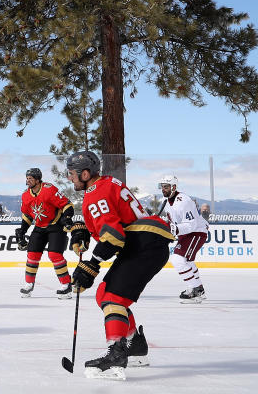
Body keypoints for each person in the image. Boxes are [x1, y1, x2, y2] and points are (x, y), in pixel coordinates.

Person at [66, 151, 174, 380]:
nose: (70, 178)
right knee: (105, 294)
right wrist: (85, 230)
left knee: (112, 298)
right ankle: (134, 344)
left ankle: (116, 351)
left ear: (85, 174)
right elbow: (114, 222)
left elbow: (114, 236)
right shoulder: (106, 184)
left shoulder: (95, 193)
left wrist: (92, 265)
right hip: (146, 243)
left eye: (72, 174)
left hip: (143, 245)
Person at [14, 167, 75, 299]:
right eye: (27, 178)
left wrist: (67, 218)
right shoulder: (26, 195)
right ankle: (29, 284)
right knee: (32, 255)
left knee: (54, 255)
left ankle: (66, 286)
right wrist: (22, 231)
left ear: (37, 179)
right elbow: (28, 216)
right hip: (40, 227)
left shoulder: (49, 189)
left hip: (56, 226)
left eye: (31, 178)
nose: (28, 180)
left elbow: (67, 205)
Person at [158, 176, 209, 303]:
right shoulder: (167, 201)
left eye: (166, 186)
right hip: (187, 233)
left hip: (196, 232)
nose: (163, 189)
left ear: (174, 187)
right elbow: (174, 223)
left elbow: (191, 224)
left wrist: (173, 229)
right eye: (162, 186)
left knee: (177, 259)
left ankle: (195, 290)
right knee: (188, 261)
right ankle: (199, 290)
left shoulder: (183, 201)